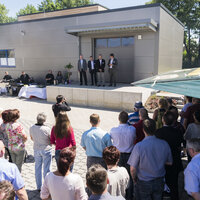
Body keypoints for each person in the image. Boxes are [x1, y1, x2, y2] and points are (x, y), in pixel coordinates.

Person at [128, 119, 173, 200]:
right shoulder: (164, 144)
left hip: (144, 181)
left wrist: (134, 180)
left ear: (143, 130)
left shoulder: (139, 146)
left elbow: (132, 169)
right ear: (155, 129)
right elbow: (170, 162)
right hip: (159, 181)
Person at [155, 111, 183, 200]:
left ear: (163, 120)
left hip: (161, 162)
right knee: (174, 185)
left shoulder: (158, 132)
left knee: (160, 185)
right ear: (174, 121)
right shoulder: (178, 132)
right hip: (174, 162)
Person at [110, 111, 135, 200]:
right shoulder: (132, 129)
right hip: (129, 155)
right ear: (128, 119)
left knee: (118, 176)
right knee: (130, 177)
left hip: (118, 156)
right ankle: (129, 196)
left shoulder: (113, 130)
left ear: (118, 119)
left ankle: (119, 195)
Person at [30, 113, 52, 191]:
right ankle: (46, 187)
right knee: (47, 169)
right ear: (44, 120)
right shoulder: (47, 129)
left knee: (37, 168)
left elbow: (32, 138)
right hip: (46, 149)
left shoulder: (32, 127)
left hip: (36, 149)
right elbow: (51, 139)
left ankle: (39, 186)